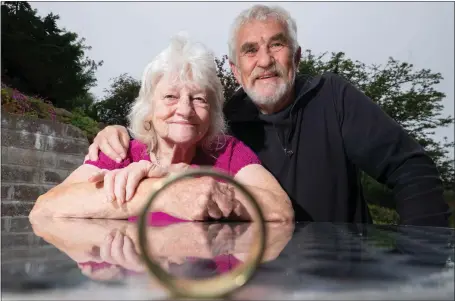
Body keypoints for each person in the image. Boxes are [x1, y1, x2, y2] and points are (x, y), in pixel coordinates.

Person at [86, 5, 450, 227]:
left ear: (297, 56)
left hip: (340, 274)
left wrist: (418, 263)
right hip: (257, 274)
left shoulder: (335, 98)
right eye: (250, 50)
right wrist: (116, 129)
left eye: (276, 44)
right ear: (233, 68)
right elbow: (170, 140)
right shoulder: (219, 122)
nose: (264, 60)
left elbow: (411, 168)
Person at [29, 33, 294, 222]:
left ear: (212, 112)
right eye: (170, 96)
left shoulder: (228, 152)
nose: (185, 109)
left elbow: (280, 209)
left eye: (199, 99)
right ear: (149, 108)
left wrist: (192, 182)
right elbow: (45, 207)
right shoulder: (121, 152)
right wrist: (160, 192)